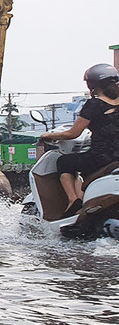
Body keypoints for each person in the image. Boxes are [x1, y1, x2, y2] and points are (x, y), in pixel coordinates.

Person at [40, 63, 119, 215]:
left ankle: (73, 199)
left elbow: (72, 134)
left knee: (65, 162)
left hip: (102, 158)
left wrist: (48, 136)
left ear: (91, 85)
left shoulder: (94, 105)